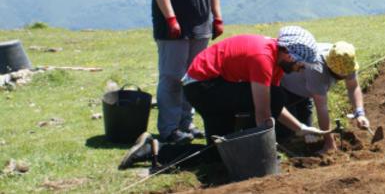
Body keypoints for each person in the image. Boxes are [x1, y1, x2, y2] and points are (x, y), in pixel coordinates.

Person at [118, 26, 328, 169]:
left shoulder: (276, 60)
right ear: (290, 54)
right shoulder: (262, 58)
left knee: (219, 154)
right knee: (225, 151)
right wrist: (267, 154)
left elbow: (273, 105)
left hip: (214, 87)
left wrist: (300, 128)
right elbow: (264, 111)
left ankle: (153, 149)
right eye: (302, 63)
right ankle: (153, 150)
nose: (301, 69)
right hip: (203, 88)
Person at [149, 0, 224, 145]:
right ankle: (169, 129)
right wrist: (171, 18)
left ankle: (186, 123)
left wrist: (217, 17)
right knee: (172, 77)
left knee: (193, 77)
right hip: (175, 29)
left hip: (201, 27)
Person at [278, 41, 370, 154]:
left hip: (306, 92)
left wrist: (360, 114)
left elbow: (353, 86)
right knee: (289, 134)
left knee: (308, 133)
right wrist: (329, 143)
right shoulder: (317, 68)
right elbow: (321, 107)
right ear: (331, 68)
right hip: (287, 87)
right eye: (343, 75)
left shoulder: (346, 59)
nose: (347, 76)